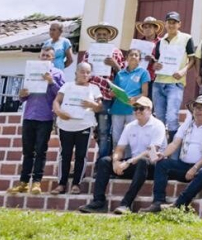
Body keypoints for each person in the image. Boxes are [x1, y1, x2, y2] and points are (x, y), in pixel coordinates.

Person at [141, 96, 202, 212]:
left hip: (201, 167)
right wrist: (163, 155)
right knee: (162, 164)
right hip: (184, 166)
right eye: (196, 108)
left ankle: (179, 204)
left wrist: (195, 167)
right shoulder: (187, 124)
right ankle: (158, 202)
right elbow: (174, 144)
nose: (198, 110)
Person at [7, 45, 64, 196]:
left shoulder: (58, 74)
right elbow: (22, 97)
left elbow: (62, 95)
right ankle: (23, 182)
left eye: (48, 55)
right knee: (27, 151)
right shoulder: (30, 71)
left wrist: (51, 82)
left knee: (40, 150)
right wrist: (22, 94)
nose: (45, 57)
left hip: (45, 116)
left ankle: (37, 182)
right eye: (43, 55)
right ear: (39, 57)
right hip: (29, 115)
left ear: (53, 58)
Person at [52, 62, 103, 195]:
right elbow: (57, 101)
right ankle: (61, 183)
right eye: (82, 71)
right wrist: (58, 111)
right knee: (65, 154)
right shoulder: (67, 85)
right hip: (65, 125)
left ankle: (76, 184)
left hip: (84, 125)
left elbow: (99, 106)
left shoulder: (94, 88)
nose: (85, 74)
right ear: (76, 73)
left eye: (88, 72)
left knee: (81, 155)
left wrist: (93, 104)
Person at [82, 24, 126, 161]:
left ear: (109, 36)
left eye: (104, 34)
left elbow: (123, 76)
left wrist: (114, 65)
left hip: (106, 96)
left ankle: (102, 163)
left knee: (104, 131)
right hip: (89, 96)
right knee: (89, 130)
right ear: (94, 36)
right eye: (98, 34)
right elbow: (82, 74)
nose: (101, 37)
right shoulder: (89, 53)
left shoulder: (116, 53)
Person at [151, 11, 197, 138]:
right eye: (169, 22)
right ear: (165, 24)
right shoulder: (160, 42)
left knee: (171, 117)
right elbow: (156, 62)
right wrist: (156, 65)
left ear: (179, 24)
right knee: (159, 118)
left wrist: (183, 71)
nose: (171, 25)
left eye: (174, 22)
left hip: (175, 83)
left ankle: (173, 153)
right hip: (159, 82)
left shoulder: (187, 38)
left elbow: (192, 59)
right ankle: (161, 149)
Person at [110, 48, 151, 148]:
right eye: (131, 55)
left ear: (140, 59)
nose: (133, 57)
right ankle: (117, 161)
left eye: (136, 55)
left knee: (132, 138)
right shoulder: (120, 74)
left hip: (133, 109)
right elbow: (115, 90)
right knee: (116, 138)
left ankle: (129, 162)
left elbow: (145, 93)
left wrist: (135, 98)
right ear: (126, 58)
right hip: (117, 109)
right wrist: (113, 93)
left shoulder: (143, 72)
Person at [135, 16, 163, 83]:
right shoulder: (137, 44)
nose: (147, 29)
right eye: (145, 27)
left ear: (155, 29)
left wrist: (154, 60)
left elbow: (165, 61)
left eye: (150, 27)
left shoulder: (162, 43)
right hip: (138, 77)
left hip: (154, 78)